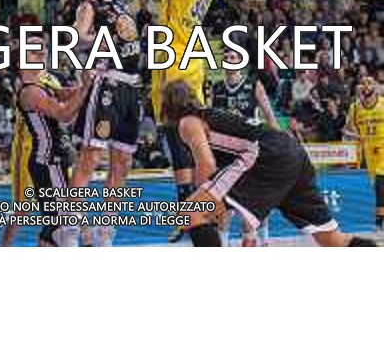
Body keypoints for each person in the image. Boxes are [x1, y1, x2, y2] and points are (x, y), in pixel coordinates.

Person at [161, 80, 376, 247]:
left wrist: (206, 202)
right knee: (332, 239)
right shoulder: (212, 114)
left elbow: (206, 165)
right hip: (292, 152)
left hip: (267, 154)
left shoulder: (189, 121)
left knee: (191, 213)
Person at [63, 0, 149, 247]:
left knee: (123, 163)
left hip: (131, 87)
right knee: (90, 158)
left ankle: (104, 231)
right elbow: (76, 37)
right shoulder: (88, 6)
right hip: (107, 85)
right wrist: (97, 39)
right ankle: (71, 230)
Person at [145, 0, 228, 243]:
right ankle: (205, 209)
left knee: (178, 140)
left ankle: (192, 215)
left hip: (175, 63)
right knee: (192, 141)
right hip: (191, 62)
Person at [0, 37, 93, 247]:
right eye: (35, 50)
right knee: (25, 208)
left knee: (63, 210)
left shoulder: (48, 78)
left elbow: (64, 94)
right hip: (30, 148)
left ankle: (86, 240)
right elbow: (63, 113)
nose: (42, 53)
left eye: (43, 49)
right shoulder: (28, 87)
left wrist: (88, 86)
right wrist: (85, 88)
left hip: (53, 149)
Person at [210, 49, 280, 246]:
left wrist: (278, 142)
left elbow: (270, 116)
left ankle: (264, 241)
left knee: (253, 203)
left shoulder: (253, 85)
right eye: (226, 58)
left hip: (249, 151)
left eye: (233, 57)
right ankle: (223, 245)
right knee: (224, 204)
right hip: (225, 153)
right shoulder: (216, 88)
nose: (229, 60)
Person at [344, 76, 384, 231]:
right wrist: (357, 136)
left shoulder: (382, 103)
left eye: (369, 82)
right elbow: (346, 130)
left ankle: (379, 221)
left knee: (380, 183)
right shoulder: (354, 108)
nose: (366, 85)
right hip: (369, 151)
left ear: (376, 87)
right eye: (363, 83)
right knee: (378, 186)